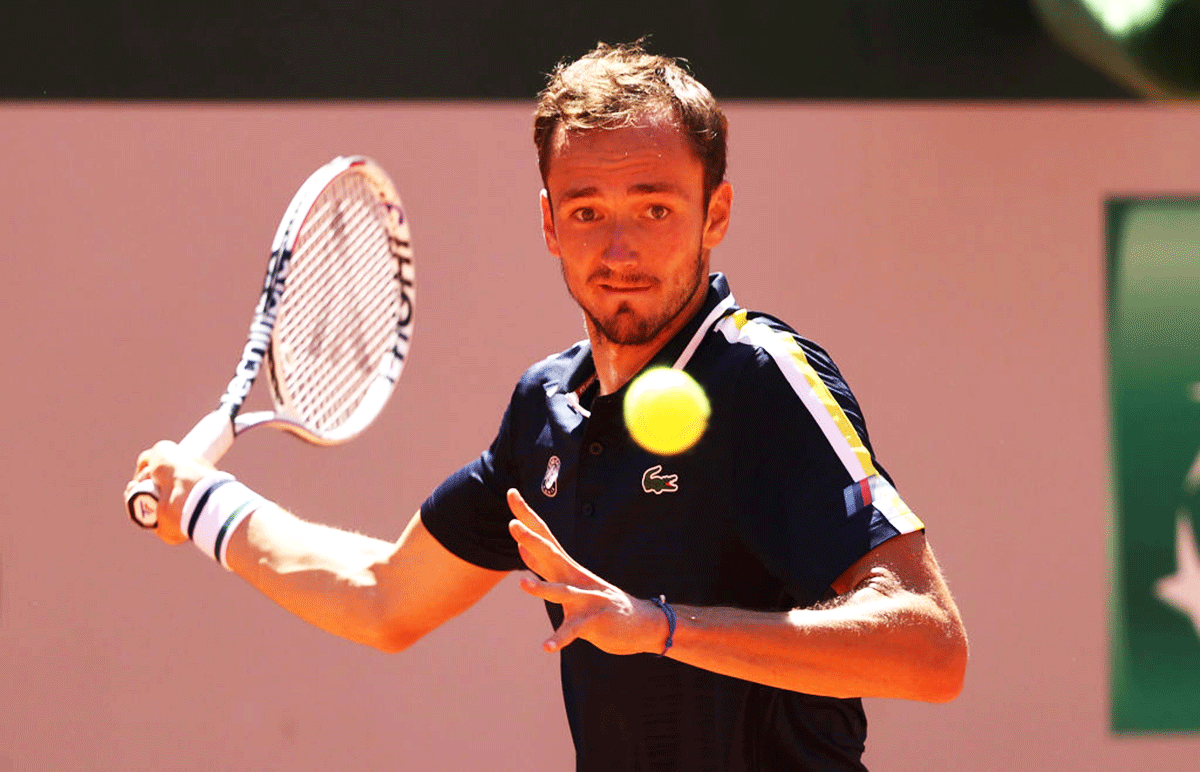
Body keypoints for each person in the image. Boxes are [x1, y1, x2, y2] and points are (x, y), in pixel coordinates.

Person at [127, 41, 967, 771]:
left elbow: (931, 648)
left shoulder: (760, 376)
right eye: (588, 211)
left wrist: (663, 626)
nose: (620, 247)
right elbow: (383, 595)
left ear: (716, 213)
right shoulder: (546, 411)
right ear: (549, 223)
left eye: (655, 208)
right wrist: (205, 506)